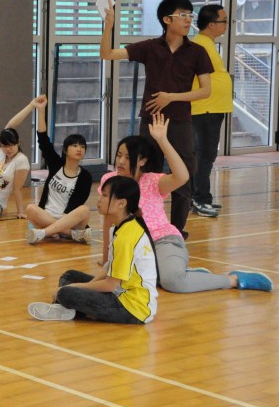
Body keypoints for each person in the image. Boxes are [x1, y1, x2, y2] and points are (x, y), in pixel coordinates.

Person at [102, 114, 271, 293]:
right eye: (119, 155)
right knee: (126, 281)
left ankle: (234, 279)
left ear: (142, 161)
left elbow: (182, 176)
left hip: (162, 240)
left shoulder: (153, 181)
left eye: (128, 157)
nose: (121, 161)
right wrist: (106, 259)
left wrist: (162, 140)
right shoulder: (110, 180)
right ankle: (191, 275)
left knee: (173, 282)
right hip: (133, 245)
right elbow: (108, 222)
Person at [100, 0, 213, 235]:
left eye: (190, 15)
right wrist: (108, 25)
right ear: (167, 19)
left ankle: (176, 230)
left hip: (180, 121)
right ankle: (140, 224)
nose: (188, 20)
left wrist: (171, 97)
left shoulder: (197, 52)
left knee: (183, 175)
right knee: (145, 173)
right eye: (183, 15)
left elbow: (205, 91)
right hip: (151, 120)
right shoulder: (150, 47)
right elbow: (107, 53)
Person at [28, 175, 157, 324]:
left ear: (121, 203)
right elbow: (108, 268)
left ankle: (69, 307)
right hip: (119, 292)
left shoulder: (126, 236)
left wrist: (76, 288)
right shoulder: (118, 227)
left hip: (133, 307)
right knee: (69, 276)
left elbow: (110, 285)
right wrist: (83, 287)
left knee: (66, 292)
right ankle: (71, 308)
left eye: (105, 195)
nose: (99, 199)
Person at [24, 95, 93, 244]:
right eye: (75, 145)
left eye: (82, 146)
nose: (79, 149)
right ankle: (70, 235)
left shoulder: (85, 177)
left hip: (68, 220)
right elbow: (43, 140)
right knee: (30, 208)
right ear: (66, 150)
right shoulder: (56, 164)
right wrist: (41, 110)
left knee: (84, 210)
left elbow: (77, 205)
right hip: (47, 217)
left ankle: (46, 232)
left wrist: (63, 222)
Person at [190, 4, 232, 217]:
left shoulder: (207, 44)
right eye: (224, 21)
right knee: (204, 154)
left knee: (206, 154)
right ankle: (199, 199)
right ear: (211, 24)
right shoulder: (200, 45)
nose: (227, 24)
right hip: (205, 108)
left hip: (213, 108)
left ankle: (201, 197)